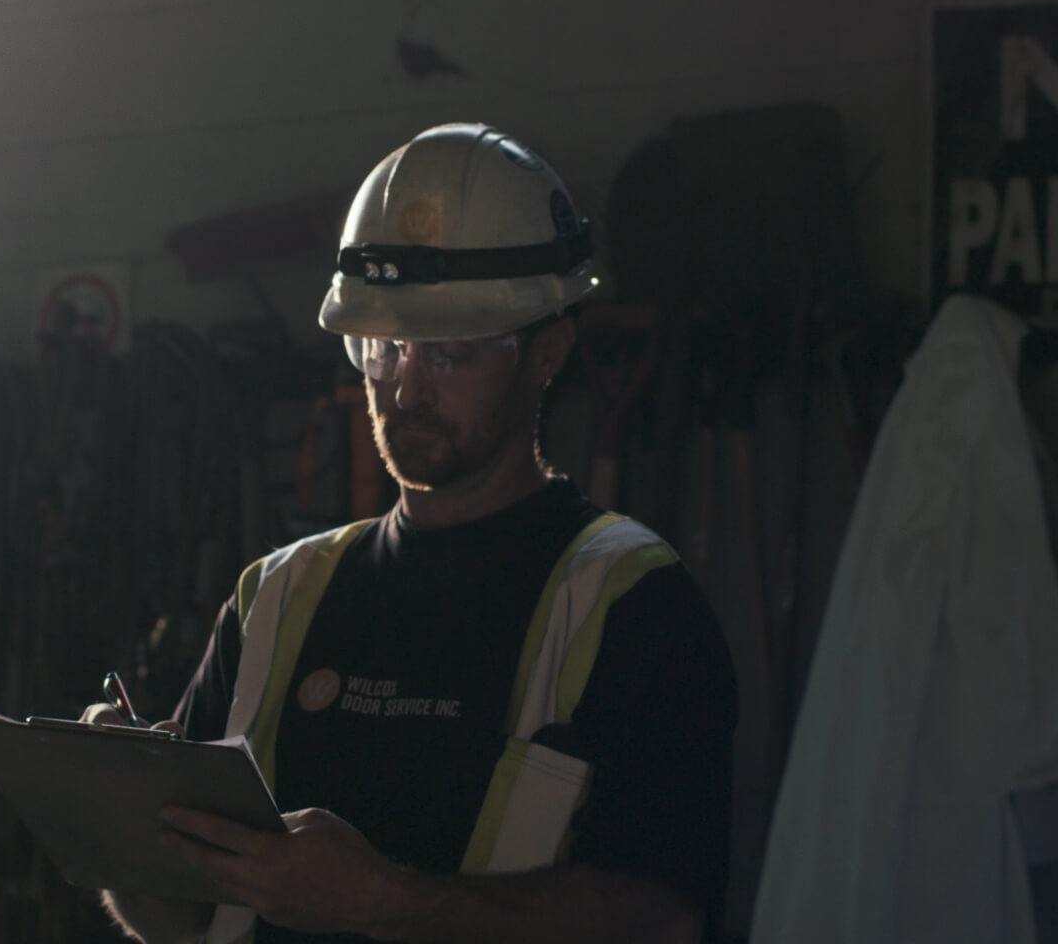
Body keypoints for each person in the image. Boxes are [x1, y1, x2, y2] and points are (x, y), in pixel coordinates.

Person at [85, 123, 737, 944]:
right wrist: (118, 824)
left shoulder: (634, 605)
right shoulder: (275, 599)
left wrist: (386, 903)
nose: (405, 388)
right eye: (384, 349)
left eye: (450, 354)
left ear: (548, 350)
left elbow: (666, 920)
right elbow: (186, 917)